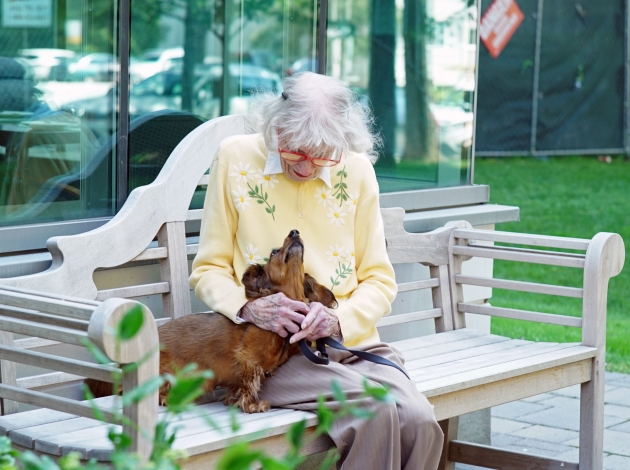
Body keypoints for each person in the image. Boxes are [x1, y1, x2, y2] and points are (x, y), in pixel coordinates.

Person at [189, 71, 443, 469]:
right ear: (275, 128)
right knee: (375, 411)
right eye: (295, 153)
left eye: (322, 157)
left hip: (351, 345)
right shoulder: (236, 157)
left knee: (420, 421)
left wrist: (338, 320)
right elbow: (208, 269)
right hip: (274, 355)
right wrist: (249, 308)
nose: (307, 168)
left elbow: (379, 280)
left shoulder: (357, 172)